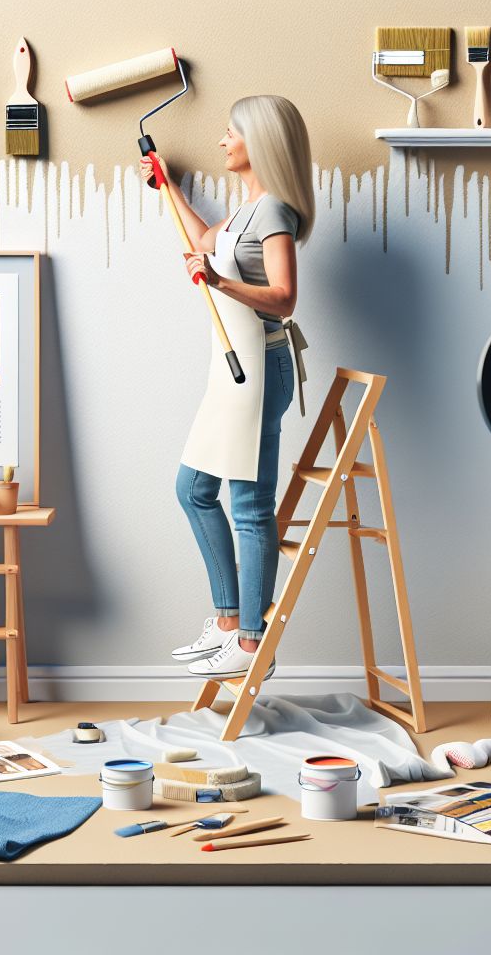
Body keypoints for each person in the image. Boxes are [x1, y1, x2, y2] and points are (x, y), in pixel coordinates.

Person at [140, 95, 314, 681]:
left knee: (249, 506)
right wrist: (170, 188)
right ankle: (225, 619)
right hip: (232, 369)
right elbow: (203, 240)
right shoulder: (245, 213)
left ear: (259, 141)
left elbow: (285, 298)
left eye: (231, 132)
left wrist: (216, 280)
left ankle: (250, 639)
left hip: (261, 370)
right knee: (192, 489)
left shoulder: (276, 214)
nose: (221, 141)